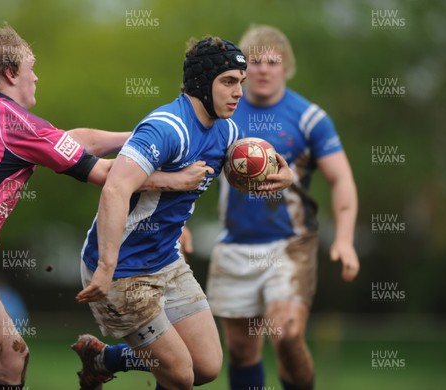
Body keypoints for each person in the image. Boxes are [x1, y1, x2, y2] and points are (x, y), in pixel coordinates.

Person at [0, 24, 209, 390]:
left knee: (10, 361)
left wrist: (147, 136)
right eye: (31, 67)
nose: (36, 76)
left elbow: (76, 140)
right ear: (10, 73)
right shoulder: (13, 123)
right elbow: (110, 173)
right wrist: (177, 181)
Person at [71, 36, 294, 390]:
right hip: (123, 269)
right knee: (179, 375)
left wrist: (282, 175)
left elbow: (238, 173)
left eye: (241, 82)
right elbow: (115, 187)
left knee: (206, 367)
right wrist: (105, 269)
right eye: (228, 82)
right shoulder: (166, 127)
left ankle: (105, 358)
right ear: (202, 84)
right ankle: (129, 361)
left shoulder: (228, 129)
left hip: (166, 260)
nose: (238, 92)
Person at [203, 25, 360, 390]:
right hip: (234, 245)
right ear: (240, 69)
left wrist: (346, 240)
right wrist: (177, 226)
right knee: (241, 351)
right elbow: (187, 168)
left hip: (291, 245)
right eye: (254, 62)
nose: (262, 70)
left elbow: (342, 180)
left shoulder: (309, 118)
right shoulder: (222, 114)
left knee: (287, 336)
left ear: (286, 67)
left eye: (272, 62)